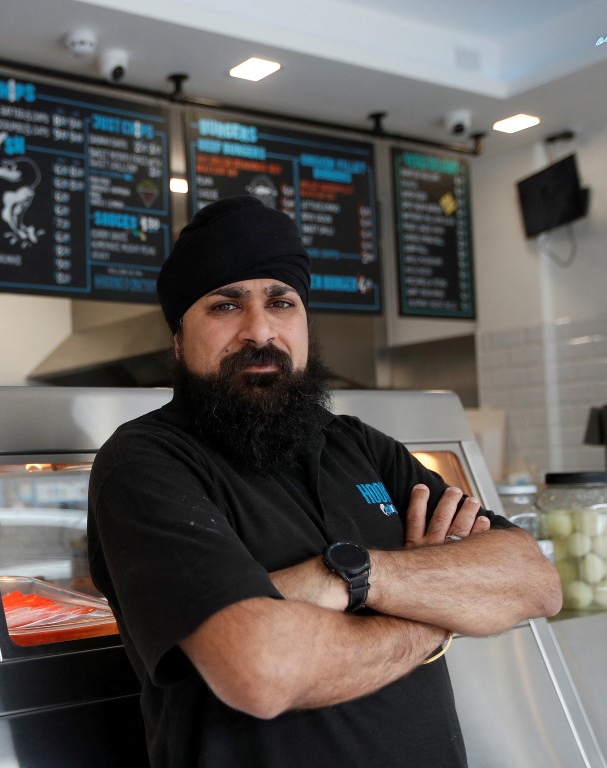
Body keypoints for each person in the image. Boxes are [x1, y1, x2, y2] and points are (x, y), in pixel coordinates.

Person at [87, 195, 562, 767]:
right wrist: (434, 617)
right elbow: (263, 670)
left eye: (281, 302)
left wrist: (347, 578)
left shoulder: (356, 444)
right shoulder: (146, 462)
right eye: (224, 306)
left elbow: (534, 582)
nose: (258, 331)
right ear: (178, 340)